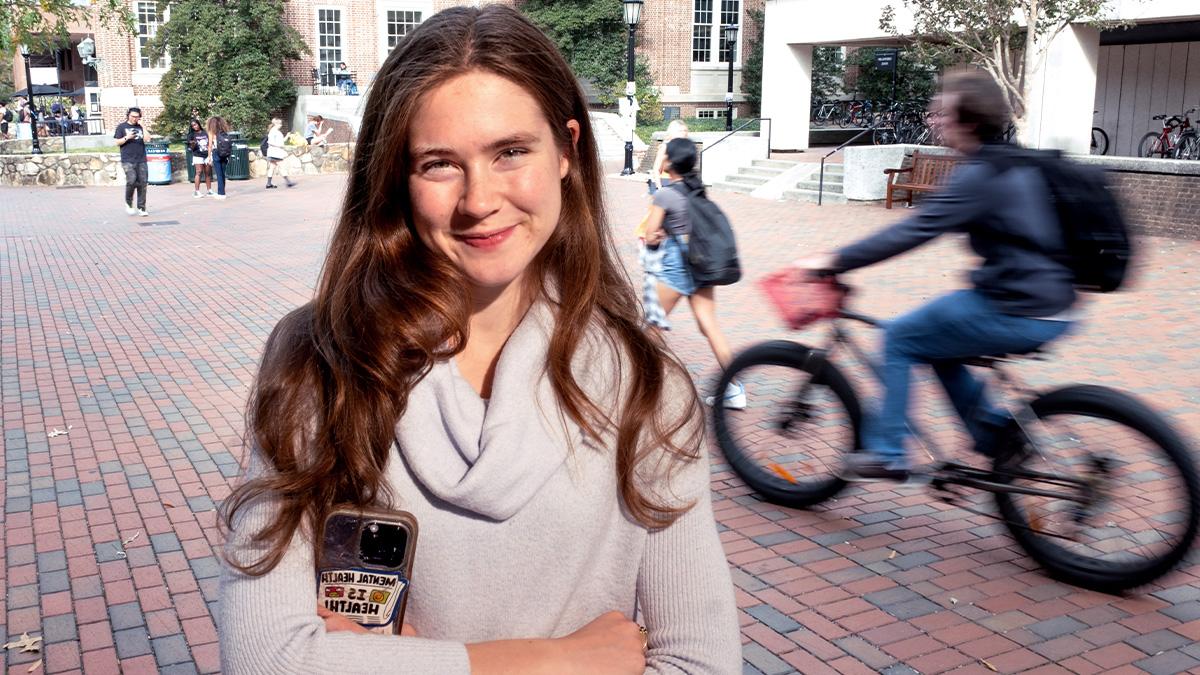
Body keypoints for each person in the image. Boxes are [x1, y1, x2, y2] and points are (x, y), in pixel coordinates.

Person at [217, 6, 740, 674]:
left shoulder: (645, 386)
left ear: (567, 153)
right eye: (439, 164)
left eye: (511, 151)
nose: (479, 199)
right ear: (395, 180)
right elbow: (267, 658)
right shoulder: (319, 361)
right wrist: (555, 661)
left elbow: (703, 660)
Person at [797, 71, 1076, 482]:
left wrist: (833, 260)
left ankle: (888, 452)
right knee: (938, 345)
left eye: (942, 113)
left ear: (969, 121)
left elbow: (912, 230)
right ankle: (993, 435)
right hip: (1053, 302)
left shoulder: (979, 174)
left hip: (1018, 306)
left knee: (901, 337)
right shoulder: (1011, 162)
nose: (934, 120)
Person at [641, 138, 744, 409]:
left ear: (670, 163)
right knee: (709, 326)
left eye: (664, 153)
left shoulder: (664, 194)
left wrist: (658, 234)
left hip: (677, 267)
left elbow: (650, 235)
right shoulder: (695, 189)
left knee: (650, 327)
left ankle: (637, 388)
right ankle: (735, 389)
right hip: (701, 264)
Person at [113, 107, 149, 216]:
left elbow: (147, 139)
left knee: (142, 183)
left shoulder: (140, 127)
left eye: (137, 116)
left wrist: (143, 126)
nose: (134, 118)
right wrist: (127, 137)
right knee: (132, 180)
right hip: (128, 159)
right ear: (128, 115)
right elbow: (117, 142)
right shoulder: (121, 127)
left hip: (141, 158)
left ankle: (141, 208)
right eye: (133, 116)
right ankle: (128, 203)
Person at [649, 119, 689, 194]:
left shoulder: (685, 148)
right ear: (673, 132)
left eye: (685, 130)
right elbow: (656, 169)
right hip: (666, 182)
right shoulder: (665, 147)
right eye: (680, 131)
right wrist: (659, 188)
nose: (684, 133)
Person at [264, 117, 294, 188]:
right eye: (280, 124)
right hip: (275, 152)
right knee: (281, 166)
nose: (281, 125)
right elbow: (270, 142)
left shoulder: (276, 132)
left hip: (274, 152)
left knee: (272, 167)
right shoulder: (273, 131)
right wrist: (279, 146)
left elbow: (281, 141)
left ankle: (269, 183)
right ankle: (288, 182)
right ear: (276, 124)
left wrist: (287, 136)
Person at [205, 116, 230, 200]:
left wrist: (209, 156)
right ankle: (223, 191)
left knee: (219, 174)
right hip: (225, 153)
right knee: (223, 173)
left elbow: (210, 146)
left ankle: (221, 193)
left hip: (216, 153)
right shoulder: (223, 131)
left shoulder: (211, 132)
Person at [187, 118, 213, 198]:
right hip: (197, 155)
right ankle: (197, 191)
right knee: (198, 172)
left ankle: (209, 190)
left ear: (198, 124)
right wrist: (192, 144)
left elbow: (209, 143)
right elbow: (190, 148)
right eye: (193, 126)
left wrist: (209, 155)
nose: (195, 126)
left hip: (206, 155)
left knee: (208, 173)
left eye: (196, 124)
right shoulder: (191, 135)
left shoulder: (205, 132)